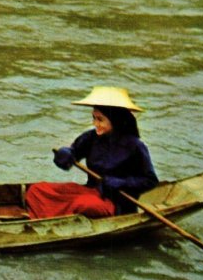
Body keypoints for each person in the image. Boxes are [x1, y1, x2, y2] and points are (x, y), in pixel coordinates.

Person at [26, 86, 158, 219]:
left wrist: (120, 182)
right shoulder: (91, 137)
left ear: (116, 121)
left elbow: (150, 180)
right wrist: (65, 154)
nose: (95, 124)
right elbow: (72, 154)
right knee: (36, 190)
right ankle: (50, 217)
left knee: (84, 205)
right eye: (94, 118)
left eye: (100, 119)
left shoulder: (135, 146)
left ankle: (57, 217)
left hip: (115, 202)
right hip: (89, 191)